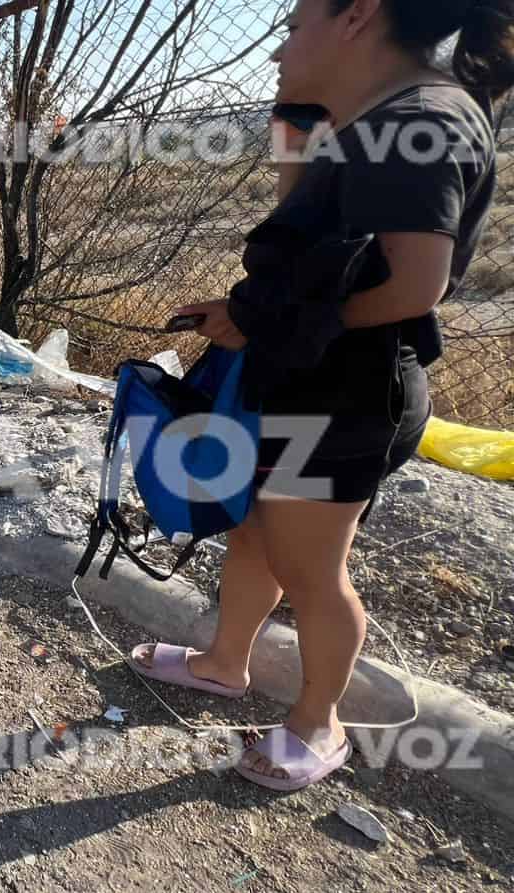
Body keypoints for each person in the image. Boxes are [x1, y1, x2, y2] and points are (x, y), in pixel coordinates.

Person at [130, 0, 508, 791]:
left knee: (308, 569)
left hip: (346, 398)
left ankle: (317, 725)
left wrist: (259, 321)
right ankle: (223, 663)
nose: (278, 51)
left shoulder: (422, 122)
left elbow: (414, 286)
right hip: (305, 376)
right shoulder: (371, 122)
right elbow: (310, 255)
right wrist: (294, 140)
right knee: (254, 533)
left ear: (357, 16)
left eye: (292, 27)